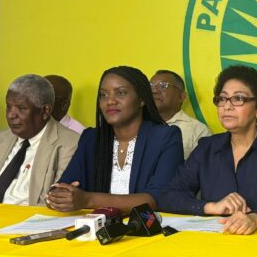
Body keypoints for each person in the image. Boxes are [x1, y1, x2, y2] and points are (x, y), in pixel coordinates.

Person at [158, 65, 257, 234]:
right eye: (222, 99)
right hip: (214, 241)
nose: (227, 106)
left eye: (238, 98)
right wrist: (211, 207)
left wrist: (255, 218)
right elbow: (168, 195)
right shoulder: (207, 148)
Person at [46, 66, 184, 213]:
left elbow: (156, 199)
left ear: (142, 99)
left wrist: (88, 199)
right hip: (96, 228)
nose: (110, 101)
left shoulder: (165, 137)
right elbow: (64, 185)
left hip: (146, 230)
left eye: (121, 93)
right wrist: (58, 197)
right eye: (103, 95)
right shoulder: (91, 139)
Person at [0, 74, 80, 205]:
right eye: (9, 106)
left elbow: (54, 202)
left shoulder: (70, 144)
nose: (11, 115)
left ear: (45, 111)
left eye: (22, 108)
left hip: (25, 222)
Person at [149, 69, 212, 158]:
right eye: (150, 86)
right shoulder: (139, 126)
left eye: (163, 86)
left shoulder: (198, 130)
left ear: (182, 96)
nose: (154, 91)